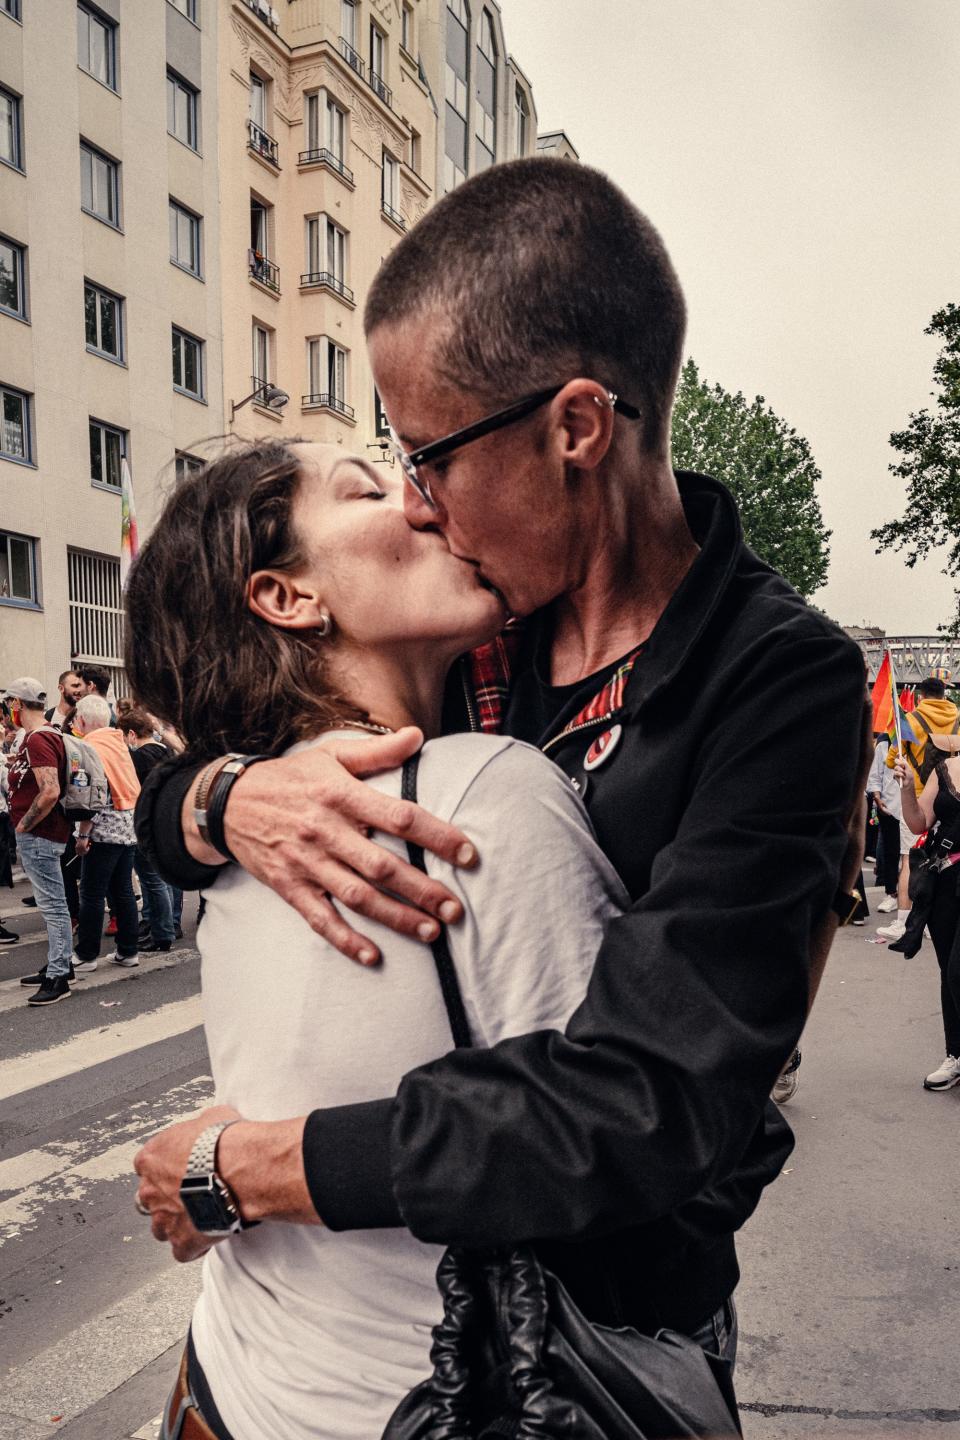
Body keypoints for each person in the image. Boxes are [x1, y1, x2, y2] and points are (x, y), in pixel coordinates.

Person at [134, 159, 870, 1392]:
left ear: (576, 428)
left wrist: (258, 1169)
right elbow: (238, 735)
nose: (420, 504)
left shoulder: (777, 679)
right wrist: (219, 799)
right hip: (325, 1356)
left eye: (427, 455)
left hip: (582, 1347)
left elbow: (659, 1096)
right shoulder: (475, 625)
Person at [125, 437, 630, 1440]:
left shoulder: (243, 826)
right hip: (430, 1403)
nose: (425, 500)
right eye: (367, 488)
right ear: (287, 597)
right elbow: (619, 1162)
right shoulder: (485, 794)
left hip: (230, 1385)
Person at [2, 678, 74, 1006]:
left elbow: (50, 791)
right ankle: (58, 965)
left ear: (17, 704)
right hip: (43, 834)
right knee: (53, 904)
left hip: (40, 835)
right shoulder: (44, 735)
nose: (7, 713)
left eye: (8, 705)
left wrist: (24, 826)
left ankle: (59, 974)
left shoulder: (38, 739)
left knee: (53, 905)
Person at [894, 743, 960, 1089]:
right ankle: (956, 1055)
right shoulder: (946, 768)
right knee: (948, 969)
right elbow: (919, 822)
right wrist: (907, 789)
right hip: (946, 882)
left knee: (957, 971)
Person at [72, 694, 141, 973]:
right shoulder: (118, 741)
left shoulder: (88, 747)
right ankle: (128, 950)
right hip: (128, 824)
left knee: (91, 892)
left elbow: (93, 797)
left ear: (83, 720)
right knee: (123, 890)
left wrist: (83, 835)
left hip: (104, 829)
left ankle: (86, 955)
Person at [124, 708, 176, 953]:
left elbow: (137, 792)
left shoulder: (138, 757)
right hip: (165, 819)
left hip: (145, 821)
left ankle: (161, 933)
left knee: (151, 880)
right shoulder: (165, 751)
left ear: (132, 734)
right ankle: (165, 927)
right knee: (162, 879)